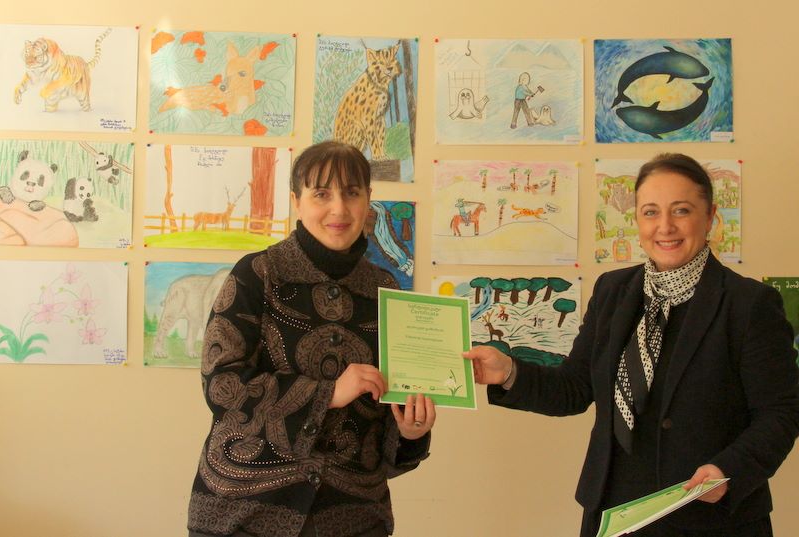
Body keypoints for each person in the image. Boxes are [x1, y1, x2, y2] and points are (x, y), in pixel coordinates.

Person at [465, 153, 799, 536]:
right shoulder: (613, 291)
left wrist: (729, 470)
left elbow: (782, 411)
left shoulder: (748, 304)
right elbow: (575, 388)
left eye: (681, 210)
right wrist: (509, 372)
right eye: (650, 212)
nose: (665, 227)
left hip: (711, 516)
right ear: (637, 220)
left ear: (709, 217)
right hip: (614, 513)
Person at [187, 141, 435, 537]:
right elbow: (221, 385)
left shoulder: (386, 291)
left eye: (351, 193)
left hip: (354, 518)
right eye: (321, 194)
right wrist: (327, 393)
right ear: (296, 202)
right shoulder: (257, 274)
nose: (339, 209)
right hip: (244, 513)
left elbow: (387, 416)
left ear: (368, 199)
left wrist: (410, 433)